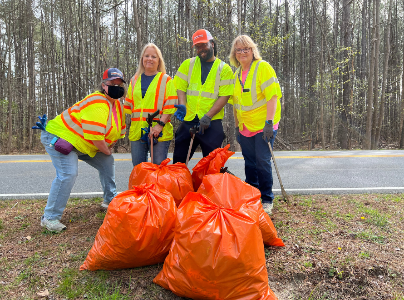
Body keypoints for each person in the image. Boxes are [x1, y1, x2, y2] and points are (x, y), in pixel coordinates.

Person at [39, 68, 127, 232]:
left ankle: (109, 199)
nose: (116, 86)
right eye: (112, 83)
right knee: (68, 174)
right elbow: (95, 136)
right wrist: (106, 150)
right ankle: (50, 218)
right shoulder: (98, 101)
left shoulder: (118, 107)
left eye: (119, 84)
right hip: (61, 138)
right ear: (103, 85)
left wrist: (109, 148)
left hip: (81, 144)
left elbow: (118, 132)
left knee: (107, 162)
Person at [229, 35, 282, 215]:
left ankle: (267, 199)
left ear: (253, 51)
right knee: (250, 163)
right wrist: (237, 127)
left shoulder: (263, 67)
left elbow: (272, 96)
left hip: (264, 126)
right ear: (234, 54)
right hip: (245, 127)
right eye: (239, 50)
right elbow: (236, 105)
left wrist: (269, 122)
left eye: (246, 49)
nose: (243, 52)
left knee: (262, 161)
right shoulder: (236, 74)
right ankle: (253, 196)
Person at [172, 29, 234, 163]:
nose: (201, 49)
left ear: (212, 43)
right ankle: (179, 183)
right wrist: (182, 105)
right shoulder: (188, 64)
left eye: (203, 45)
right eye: (198, 46)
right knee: (178, 162)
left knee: (213, 165)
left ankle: (210, 183)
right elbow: (180, 87)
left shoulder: (224, 69)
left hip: (211, 122)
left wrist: (208, 116)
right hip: (189, 119)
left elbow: (224, 96)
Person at [124, 43, 178, 166]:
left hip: (158, 131)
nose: (149, 59)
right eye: (146, 56)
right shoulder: (134, 80)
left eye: (154, 57)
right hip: (137, 131)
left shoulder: (166, 79)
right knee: (139, 170)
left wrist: (160, 126)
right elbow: (128, 106)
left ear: (159, 61)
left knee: (157, 170)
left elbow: (170, 106)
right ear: (142, 59)